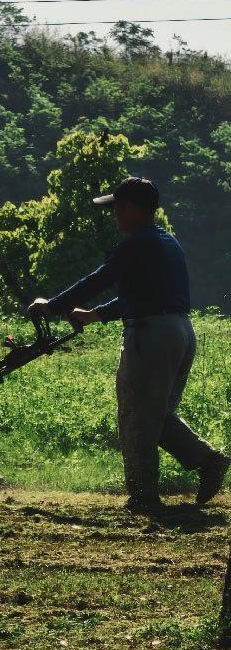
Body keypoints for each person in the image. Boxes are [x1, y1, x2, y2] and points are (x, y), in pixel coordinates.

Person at [27, 176, 228, 515]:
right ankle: (207, 460)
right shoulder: (167, 242)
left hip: (150, 335)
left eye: (117, 208)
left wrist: (53, 306)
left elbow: (101, 278)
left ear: (133, 209)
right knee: (157, 413)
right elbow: (140, 294)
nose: (114, 215)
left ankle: (143, 496)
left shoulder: (137, 244)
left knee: (136, 415)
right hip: (179, 331)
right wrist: (96, 315)